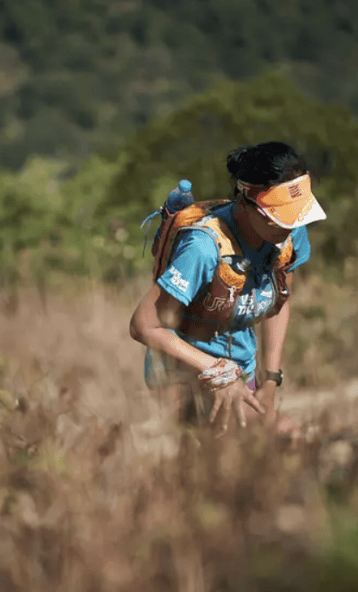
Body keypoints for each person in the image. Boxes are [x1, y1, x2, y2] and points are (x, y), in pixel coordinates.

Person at [129, 141, 325, 436]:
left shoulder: (288, 235)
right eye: (280, 215)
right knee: (279, 439)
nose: (291, 225)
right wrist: (217, 373)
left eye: (295, 213)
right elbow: (144, 326)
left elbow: (279, 301)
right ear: (248, 201)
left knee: (274, 451)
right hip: (180, 374)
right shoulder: (203, 247)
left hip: (240, 372)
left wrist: (269, 380)